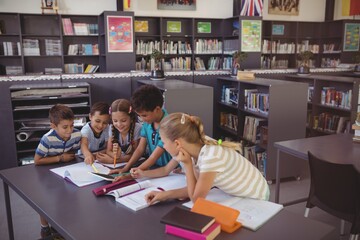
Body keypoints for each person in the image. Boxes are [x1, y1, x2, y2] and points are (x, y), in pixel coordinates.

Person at [145, 113, 270, 206]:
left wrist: (188, 166)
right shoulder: (196, 147)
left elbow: (196, 199)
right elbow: (195, 189)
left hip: (256, 196)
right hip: (239, 194)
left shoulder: (210, 157)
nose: (163, 145)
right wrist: (164, 195)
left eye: (163, 141)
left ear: (177, 143)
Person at [34, 104, 82, 238]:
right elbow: (37, 160)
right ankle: (44, 227)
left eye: (72, 125)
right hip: (46, 172)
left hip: (63, 171)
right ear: (53, 126)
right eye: (65, 127)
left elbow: (77, 147)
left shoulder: (76, 134)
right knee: (47, 201)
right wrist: (60, 158)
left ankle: (58, 227)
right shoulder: (47, 139)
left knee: (64, 201)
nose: (70, 130)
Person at [110, 85, 172, 177]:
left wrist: (132, 174)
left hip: (171, 171)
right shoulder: (148, 122)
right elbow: (140, 149)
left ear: (157, 109)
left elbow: (154, 156)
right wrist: (125, 168)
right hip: (154, 167)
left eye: (144, 115)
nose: (142, 119)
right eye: (139, 116)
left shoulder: (169, 125)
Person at [96, 99, 142, 164]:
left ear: (131, 119)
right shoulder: (112, 128)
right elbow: (109, 151)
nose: (119, 124)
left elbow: (136, 154)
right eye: (115, 121)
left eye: (123, 121)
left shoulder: (137, 129)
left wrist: (113, 160)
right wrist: (115, 156)